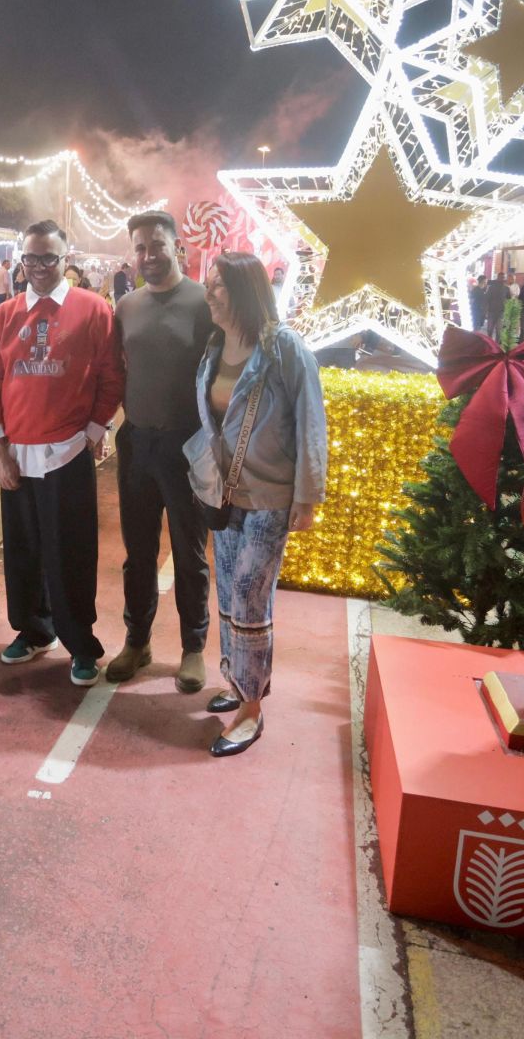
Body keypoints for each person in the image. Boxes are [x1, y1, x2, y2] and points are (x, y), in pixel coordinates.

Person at [0, 219, 124, 686]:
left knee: (71, 553)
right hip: (17, 452)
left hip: (65, 453)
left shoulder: (94, 309)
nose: (39, 267)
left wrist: (93, 432)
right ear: (21, 261)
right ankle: (34, 630)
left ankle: (80, 642)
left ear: (66, 260)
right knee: (21, 550)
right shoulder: (4, 315)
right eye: (31, 258)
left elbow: (111, 375)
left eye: (49, 258)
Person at [194, 251, 327, 757]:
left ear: (245, 291)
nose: (208, 294)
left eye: (218, 286)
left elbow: (312, 422)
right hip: (226, 496)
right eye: (208, 285)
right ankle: (236, 680)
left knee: (250, 593)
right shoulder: (214, 348)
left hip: (271, 498)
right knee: (229, 593)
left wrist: (309, 496)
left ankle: (252, 708)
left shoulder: (283, 348)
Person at [108, 211, 214, 692]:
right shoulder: (126, 305)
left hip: (187, 444)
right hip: (137, 443)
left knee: (189, 554)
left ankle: (193, 648)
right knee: (138, 553)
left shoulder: (205, 303)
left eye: (157, 245)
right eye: (140, 248)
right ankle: (138, 641)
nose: (148, 256)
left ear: (178, 248)